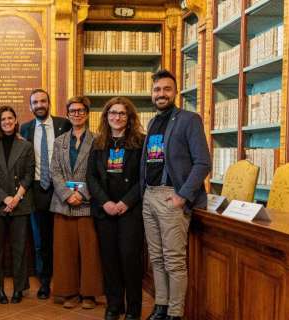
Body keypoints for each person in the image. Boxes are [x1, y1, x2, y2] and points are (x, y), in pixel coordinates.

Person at [141, 70, 210, 320]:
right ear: (152, 93)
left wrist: (183, 195)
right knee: (156, 258)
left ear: (175, 92)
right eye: (157, 90)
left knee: (174, 260)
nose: (161, 94)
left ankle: (175, 313)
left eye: (166, 89)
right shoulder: (152, 122)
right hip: (149, 196)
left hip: (172, 197)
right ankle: (161, 306)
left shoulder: (189, 119)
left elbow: (203, 162)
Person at [87, 96, 146, 320]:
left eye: (122, 113)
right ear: (106, 117)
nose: (117, 117)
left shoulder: (141, 141)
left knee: (130, 259)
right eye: (112, 113)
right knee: (109, 259)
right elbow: (91, 177)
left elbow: (144, 178)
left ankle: (133, 308)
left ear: (129, 117)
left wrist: (125, 203)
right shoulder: (99, 142)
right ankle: (114, 305)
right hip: (105, 211)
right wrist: (105, 202)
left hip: (130, 210)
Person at [49, 96, 103, 310]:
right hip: (63, 204)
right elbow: (54, 171)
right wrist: (67, 194)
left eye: (81, 110)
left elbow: (100, 173)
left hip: (87, 204)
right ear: (68, 114)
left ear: (87, 114)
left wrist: (82, 194)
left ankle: (88, 294)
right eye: (72, 111)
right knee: (65, 251)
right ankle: (69, 292)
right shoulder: (60, 141)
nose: (77, 114)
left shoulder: (98, 140)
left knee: (89, 252)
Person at [20, 89, 71, 299]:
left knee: (62, 238)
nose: (39, 105)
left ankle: (65, 282)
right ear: (30, 106)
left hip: (61, 189)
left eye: (43, 101)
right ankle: (44, 282)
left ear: (49, 103)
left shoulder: (63, 124)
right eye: (35, 102)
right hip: (37, 189)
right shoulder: (26, 128)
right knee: (40, 240)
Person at [0, 106, 35, 304]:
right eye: (3, 118)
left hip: (20, 203)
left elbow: (29, 174)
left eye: (10, 118)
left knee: (19, 248)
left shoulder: (26, 146)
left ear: (15, 120)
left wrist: (16, 197)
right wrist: (4, 198)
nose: (6, 121)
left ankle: (19, 289)